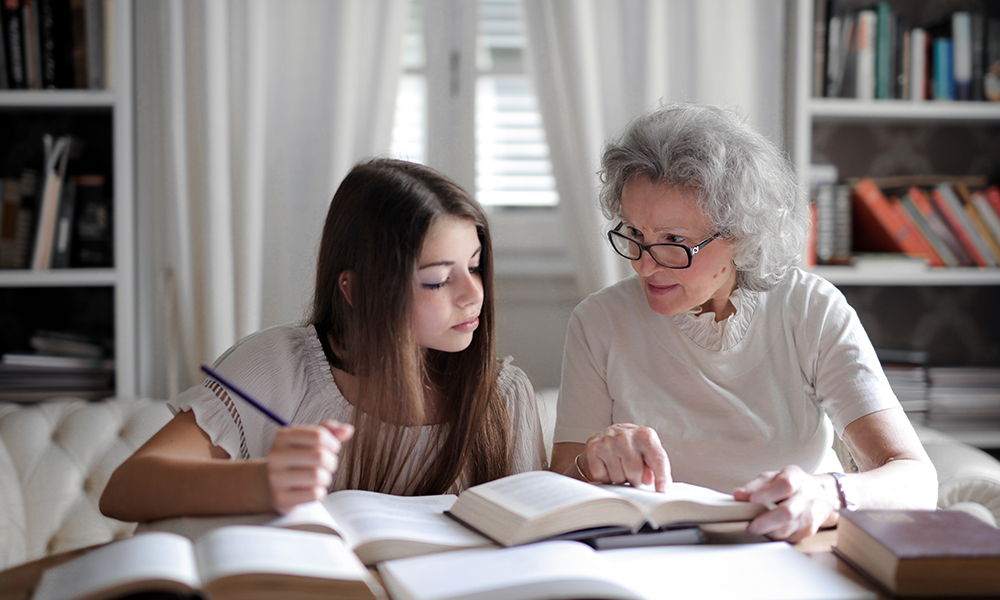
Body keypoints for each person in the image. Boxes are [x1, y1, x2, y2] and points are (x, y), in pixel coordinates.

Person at [550, 102, 938, 542]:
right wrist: (591, 463)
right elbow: (556, 491)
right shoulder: (599, 321)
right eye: (635, 235)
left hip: (795, 552)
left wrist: (826, 495)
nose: (644, 266)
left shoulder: (809, 310)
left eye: (673, 242)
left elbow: (915, 479)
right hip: (656, 558)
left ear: (739, 234)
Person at [101, 158, 547, 523]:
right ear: (357, 290)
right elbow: (126, 489)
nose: (473, 294)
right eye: (436, 280)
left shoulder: (504, 396)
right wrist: (263, 481)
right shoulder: (279, 366)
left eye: (474, 265)